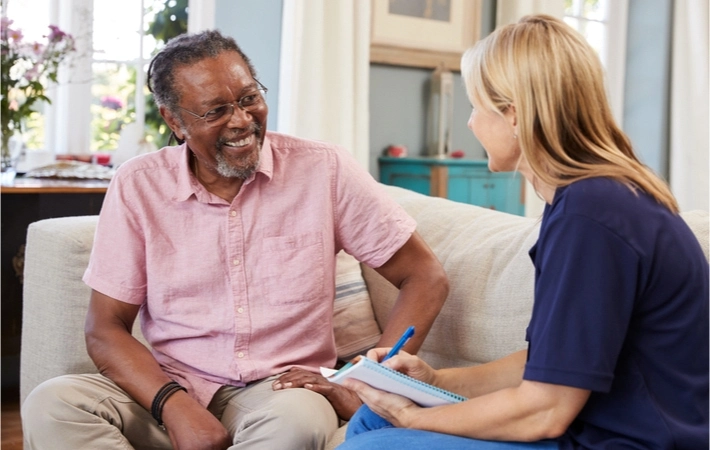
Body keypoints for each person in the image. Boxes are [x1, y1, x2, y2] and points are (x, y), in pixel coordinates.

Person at [21, 30, 449, 450]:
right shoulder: (138, 185)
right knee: (53, 403)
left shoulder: (324, 169)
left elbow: (424, 276)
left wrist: (365, 379)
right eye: (216, 111)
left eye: (249, 98)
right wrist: (175, 407)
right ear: (175, 120)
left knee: (297, 423)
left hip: (283, 390)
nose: (243, 121)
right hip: (170, 386)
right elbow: (105, 329)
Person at [337, 14, 709, 450]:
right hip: (588, 427)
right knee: (368, 422)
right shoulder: (583, 200)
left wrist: (410, 418)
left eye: (476, 107)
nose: (472, 123)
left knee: (375, 444)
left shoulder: (592, 217)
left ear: (513, 115)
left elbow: (545, 409)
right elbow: (549, 363)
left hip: (624, 442)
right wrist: (435, 379)